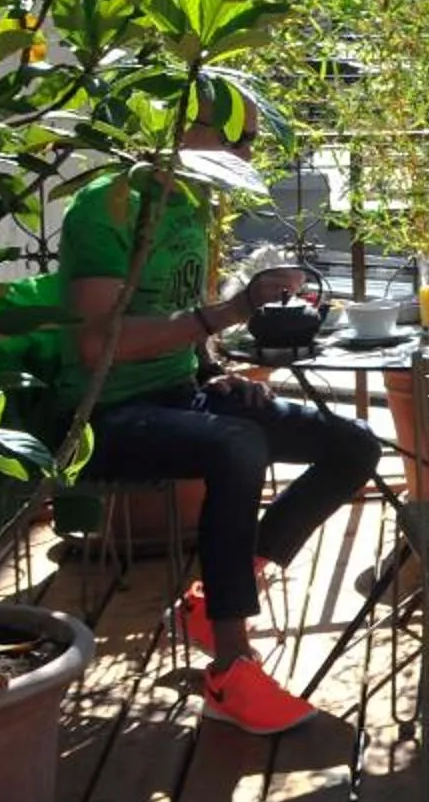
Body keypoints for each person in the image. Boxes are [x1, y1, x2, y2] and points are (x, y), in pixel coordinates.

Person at [64, 76, 383, 736]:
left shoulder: (194, 204)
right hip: (106, 414)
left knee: (353, 443)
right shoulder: (107, 208)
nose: (242, 157)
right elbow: (99, 344)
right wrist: (232, 309)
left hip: (180, 391)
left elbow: (183, 321)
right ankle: (231, 670)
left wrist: (220, 367)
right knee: (237, 444)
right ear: (177, 129)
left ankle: (218, 595)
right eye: (236, 140)